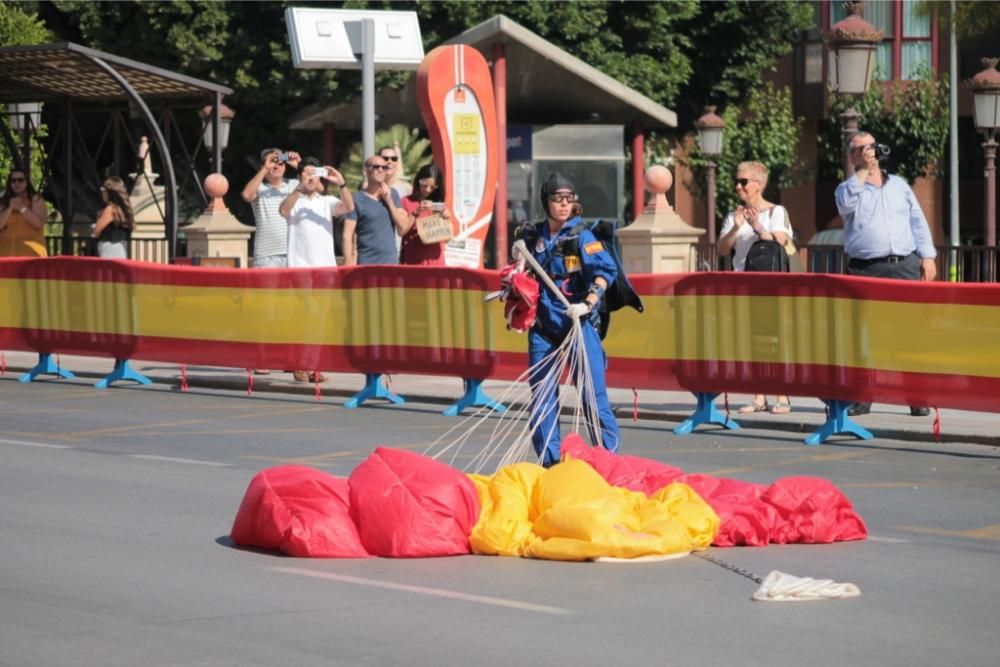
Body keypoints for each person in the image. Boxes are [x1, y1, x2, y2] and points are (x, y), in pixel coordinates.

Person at [516, 171, 619, 467]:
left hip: (578, 324)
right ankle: (550, 462)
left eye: (568, 199)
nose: (563, 204)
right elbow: (520, 274)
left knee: (592, 396)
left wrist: (588, 304)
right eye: (557, 199)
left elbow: (604, 273)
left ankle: (607, 458)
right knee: (542, 399)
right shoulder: (532, 237)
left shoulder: (582, 237)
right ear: (545, 202)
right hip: (543, 329)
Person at [837, 131, 936, 418]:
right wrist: (864, 172)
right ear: (853, 156)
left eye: (872, 146)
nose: (869, 151)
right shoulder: (847, 187)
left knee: (911, 334)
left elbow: (917, 220)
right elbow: (845, 205)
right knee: (866, 336)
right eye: (861, 149)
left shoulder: (900, 186)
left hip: (904, 265)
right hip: (867, 268)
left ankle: (916, 397)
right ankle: (862, 397)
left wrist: (927, 256)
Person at [717, 161, 793, 415]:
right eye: (736, 181)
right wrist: (738, 226)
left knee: (777, 340)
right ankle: (759, 396)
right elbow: (723, 249)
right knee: (753, 342)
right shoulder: (733, 216)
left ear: (759, 185)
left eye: (744, 182)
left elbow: (781, 241)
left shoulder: (776, 212)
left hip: (772, 286)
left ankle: (782, 395)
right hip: (744, 285)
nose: (738, 186)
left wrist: (758, 226)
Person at [279, 160, 354, 384]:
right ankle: (299, 363)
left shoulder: (326, 202)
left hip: (325, 269)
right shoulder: (295, 200)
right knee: (303, 319)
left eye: (315, 175)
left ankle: (315, 365)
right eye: (307, 174)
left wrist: (342, 183)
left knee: (320, 320)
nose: (311, 179)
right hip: (300, 268)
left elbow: (349, 207)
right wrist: (299, 187)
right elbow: (283, 210)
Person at [342, 155, 409, 266]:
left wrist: (389, 201)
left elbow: (403, 227)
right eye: (376, 167)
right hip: (366, 264)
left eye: (384, 167)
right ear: (366, 171)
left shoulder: (393, 194)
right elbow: (347, 235)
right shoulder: (356, 199)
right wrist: (348, 262)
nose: (381, 170)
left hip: (390, 263)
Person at [240, 148, 302, 268]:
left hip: (294, 253)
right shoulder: (259, 188)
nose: (276, 166)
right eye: (272, 163)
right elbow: (246, 195)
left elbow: (318, 187)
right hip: (266, 256)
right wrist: (265, 168)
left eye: (280, 163)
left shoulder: (295, 185)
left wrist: (299, 166)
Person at [399, 164, 450, 266]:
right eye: (424, 185)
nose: (427, 190)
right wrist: (416, 212)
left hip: (435, 260)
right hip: (413, 261)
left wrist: (446, 217)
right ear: (418, 181)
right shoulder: (406, 201)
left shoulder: (438, 204)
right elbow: (402, 231)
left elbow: (447, 238)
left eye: (432, 187)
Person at [0, 168, 47, 257]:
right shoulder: (3, 202)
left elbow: (39, 224)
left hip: (31, 254)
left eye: (20, 180)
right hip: (5, 254)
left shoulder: (36, 199)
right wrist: (10, 208)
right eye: (13, 180)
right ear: (10, 184)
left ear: (27, 182)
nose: (17, 183)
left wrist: (22, 208)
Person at [91, 176, 135, 259]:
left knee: (108, 271)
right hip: (121, 247)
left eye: (103, 190)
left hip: (109, 248)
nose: (102, 193)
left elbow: (96, 231)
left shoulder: (110, 210)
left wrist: (99, 217)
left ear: (110, 192)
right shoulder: (124, 210)